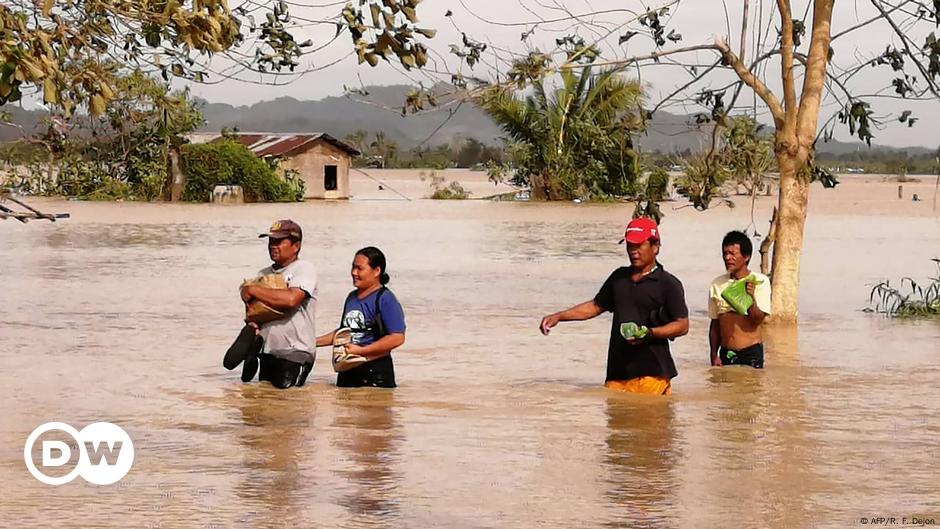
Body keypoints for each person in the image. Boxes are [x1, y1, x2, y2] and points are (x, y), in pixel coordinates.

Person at [539, 217, 689, 395]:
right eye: (630, 246)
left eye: (639, 245)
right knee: (616, 420)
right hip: (617, 372)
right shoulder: (619, 278)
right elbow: (595, 306)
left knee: (648, 420)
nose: (633, 251)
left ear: (655, 246)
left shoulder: (668, 284)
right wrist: (558, 316)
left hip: (652, 373)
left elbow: (682, 325)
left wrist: (649, 333)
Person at [223, 219, 319, 389]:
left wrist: (252, 290)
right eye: (271, 241)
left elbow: (291, 299)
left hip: (295, 353)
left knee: (289, 403)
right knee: (266, 404)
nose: (273, 246)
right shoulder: (263, 274)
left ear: (296, 246)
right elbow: (255, 312)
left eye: (279, 241)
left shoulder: (304, 269)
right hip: (268, 353)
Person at [316, 247, 406, 388]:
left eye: (359, 269)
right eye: (352, 267)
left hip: (375, 372)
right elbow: (344, 332)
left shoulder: (385, 299)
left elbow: (397, 337)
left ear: (377, 271)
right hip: (347, 369)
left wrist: (361, 351)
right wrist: (312, 342)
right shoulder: (351, 297)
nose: (354, 273)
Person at [708, 230, 771, 369]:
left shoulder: (759, 281)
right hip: (727, 353)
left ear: (746, 256)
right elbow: (715, 324)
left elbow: (758, 320)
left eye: (732, 254)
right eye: (725, 253)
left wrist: (750, 298)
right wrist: (713, 354)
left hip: (751, 352)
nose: (727, 258)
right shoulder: (717, 284)